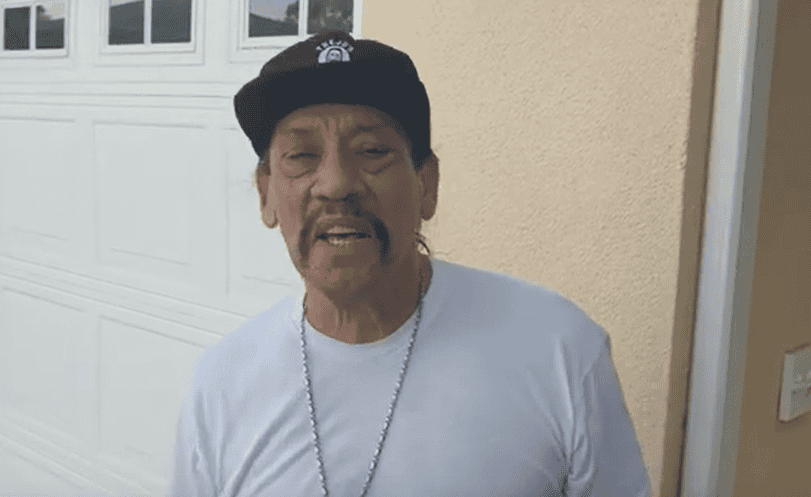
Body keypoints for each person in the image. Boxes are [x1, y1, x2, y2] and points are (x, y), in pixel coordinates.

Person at [170, 30, 651, 497]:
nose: (336, 184)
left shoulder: (560, 351)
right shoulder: (221, 386)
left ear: (427, 184)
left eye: (372, 151)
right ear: (267, 194)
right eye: (301, 155)